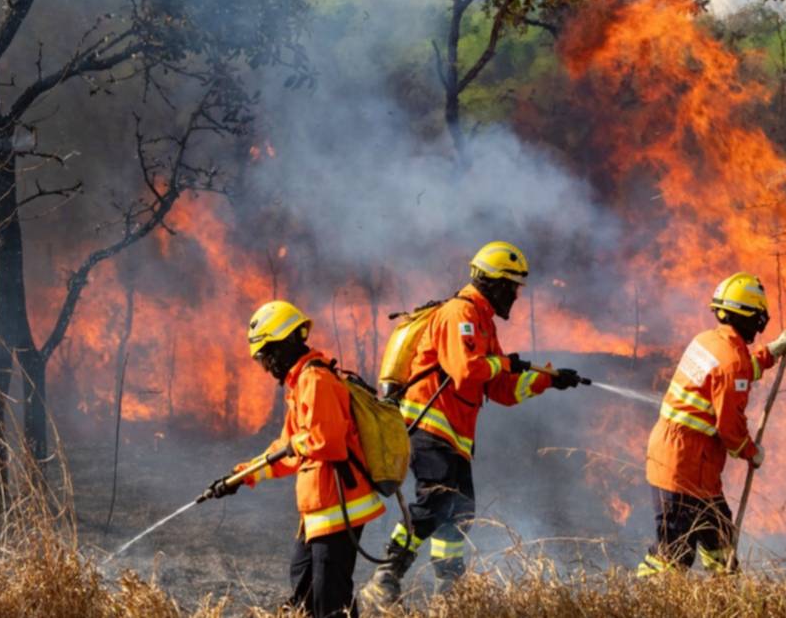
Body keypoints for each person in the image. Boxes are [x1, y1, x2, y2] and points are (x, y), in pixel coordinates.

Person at [361, 241, 583, 604]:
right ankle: (385, 576)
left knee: (460, 512)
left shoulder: (483, 323)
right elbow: (466, 372)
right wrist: (507, 363)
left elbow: (500, 390)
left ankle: (450, 591)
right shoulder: (459, 315)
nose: (514, 295)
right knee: (436, 500)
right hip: (428, 426)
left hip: (456, 437)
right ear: (493, 282)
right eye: (511, 286)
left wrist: (548, 379)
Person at [207, 300, 386, 617]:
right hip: (317, 512)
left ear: (286, 342)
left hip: (338, 507)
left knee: (330, 601)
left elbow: (328, 443)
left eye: (267, 355)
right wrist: (242, 476)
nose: (266, 366)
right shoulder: (300, 383)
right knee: (305, 595)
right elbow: (286, 447)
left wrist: (296, 444)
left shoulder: (315, 381)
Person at [638, 272, 786, 575]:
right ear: (752, 317)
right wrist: (751, 452)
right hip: (684, 466)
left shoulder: (709, 341)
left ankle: (723, 598)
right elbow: (730, 428)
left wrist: (771, 353)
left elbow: (733, 372)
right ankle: (645, 604)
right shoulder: (731, 361)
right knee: (672, 556)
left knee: (720, 539)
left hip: (692, 463)